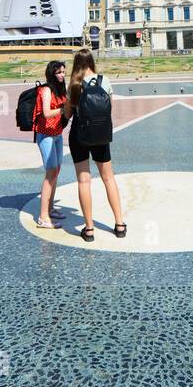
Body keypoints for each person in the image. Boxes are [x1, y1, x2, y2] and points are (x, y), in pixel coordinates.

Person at [64, 49, 126, 242]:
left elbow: (67, 115)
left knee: (84, 181)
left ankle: (89, 229)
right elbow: (109, 108)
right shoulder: (104, 80)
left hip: (79, 135)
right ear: (92, 61)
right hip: (101, 134)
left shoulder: (74, 85)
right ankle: (119, 224)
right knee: (109, 179)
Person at [33, 60, 69, 228]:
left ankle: (51, 208)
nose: (62, 75)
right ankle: (43, 217)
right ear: (51, 74)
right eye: (59, 72)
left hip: (57, 135)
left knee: (56, 171)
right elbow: (47, 113)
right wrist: (64, 109)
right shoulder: (46, 90)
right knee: (51, 172)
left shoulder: (61, 90)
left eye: (63, 72)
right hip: (45, 135)